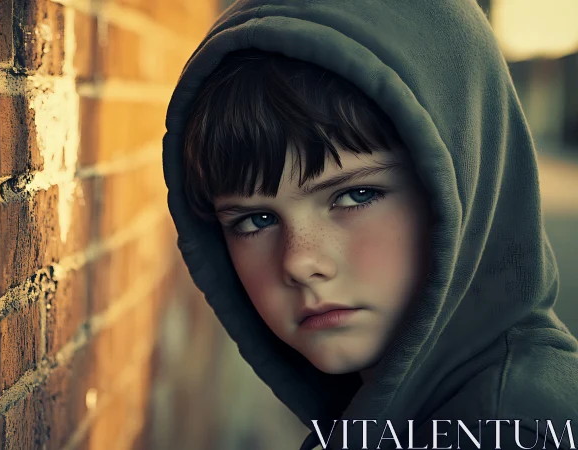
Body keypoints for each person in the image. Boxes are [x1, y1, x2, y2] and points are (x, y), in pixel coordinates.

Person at [161, 1, 578, 449]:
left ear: (464, 181)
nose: (300, 262)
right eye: (255, 220)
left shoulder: (507, 429)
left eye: (356, 195)